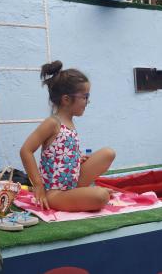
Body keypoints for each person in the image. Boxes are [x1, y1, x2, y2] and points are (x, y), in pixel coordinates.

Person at [19, 61, 116, 212]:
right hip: (55, 193)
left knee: (108, 153)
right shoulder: (52, 123)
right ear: (66, 99)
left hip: (71, 182)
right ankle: (86, 196)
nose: (87, 101)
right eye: (85, 97)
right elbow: (26, 150)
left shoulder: (70, 122)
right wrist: (38, 185)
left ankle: (82, 194)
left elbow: (59, 153)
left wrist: (76, 160)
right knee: (101, 196)